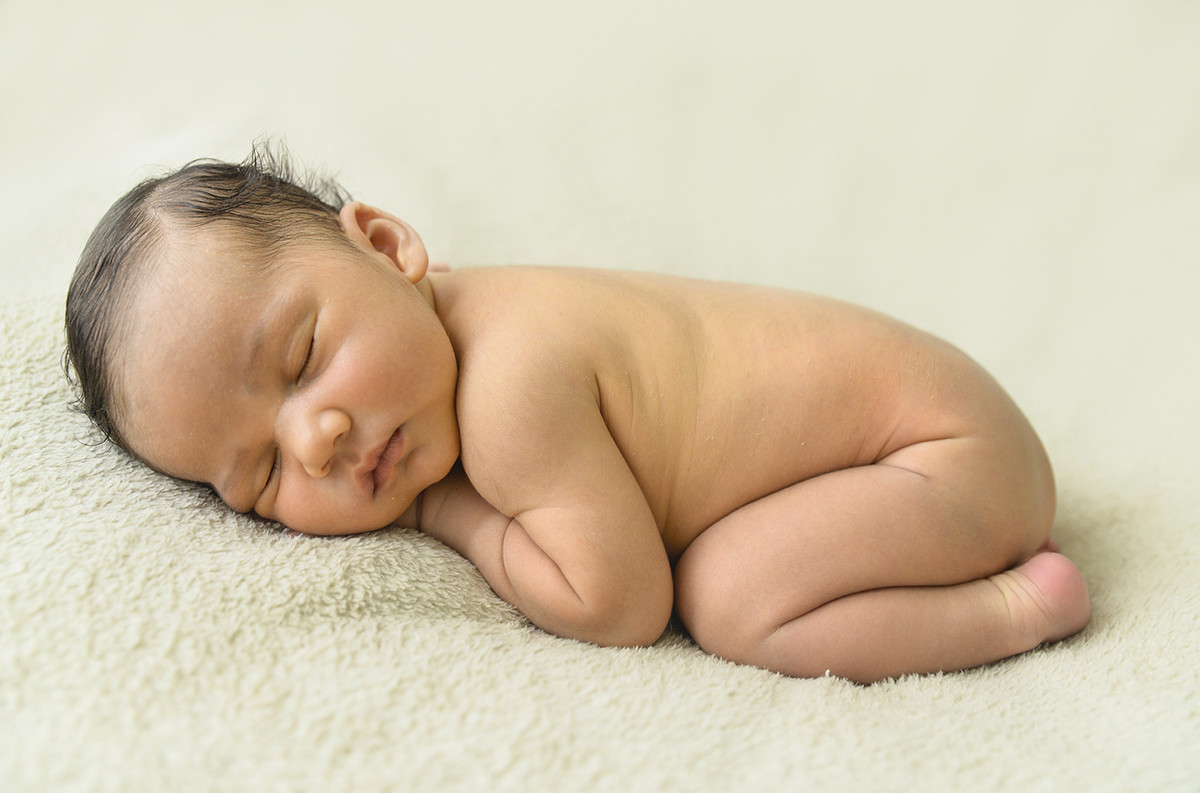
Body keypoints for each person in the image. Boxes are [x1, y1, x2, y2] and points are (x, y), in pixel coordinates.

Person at [64, 147, 1090, 684]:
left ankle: (1014, 610)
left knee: (729, 599)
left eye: (302, 359)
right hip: (932, 437)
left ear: (386, 244)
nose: (315, 439)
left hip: (942, 457)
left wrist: (448, 516)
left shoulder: (511, 386)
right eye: (258, 478)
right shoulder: (454, 324)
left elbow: (621, 605)